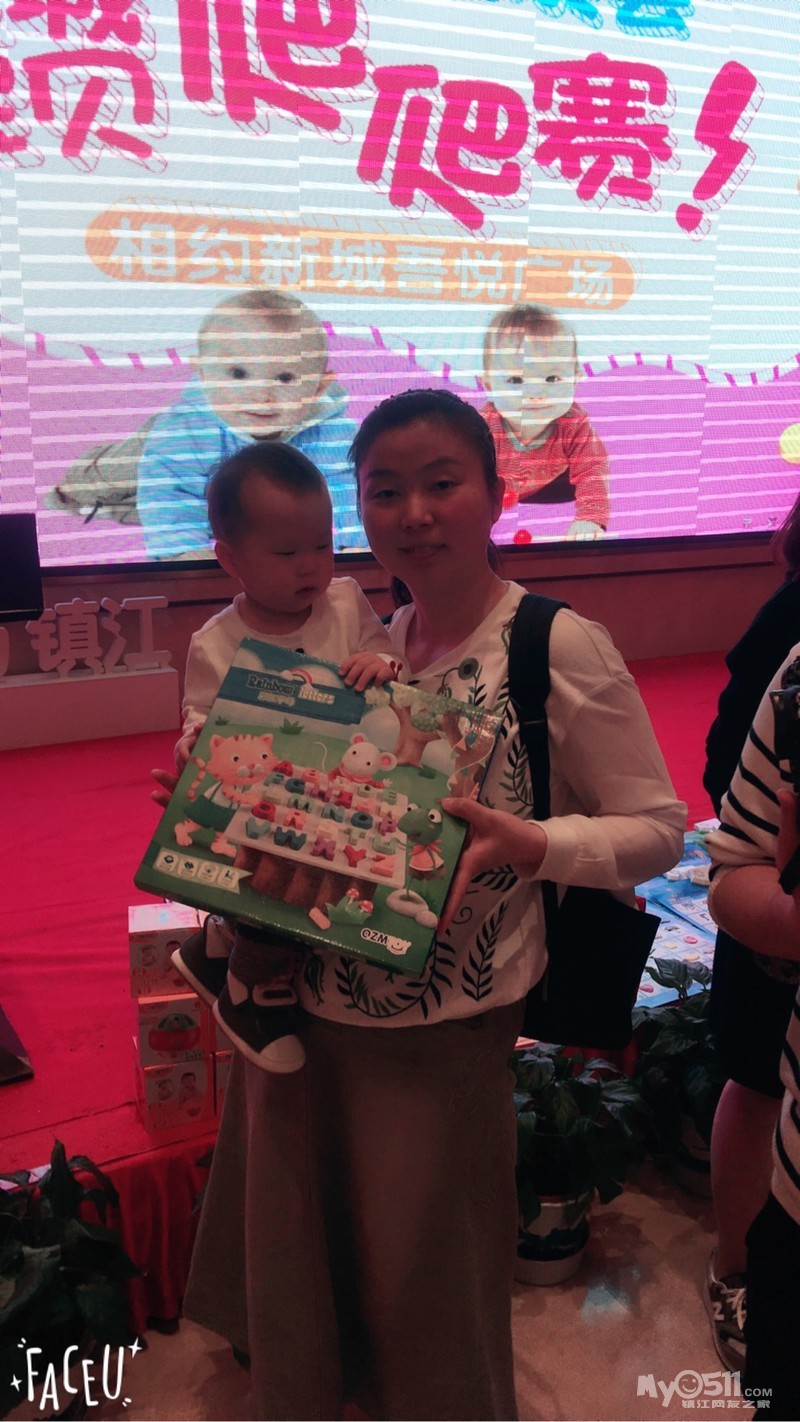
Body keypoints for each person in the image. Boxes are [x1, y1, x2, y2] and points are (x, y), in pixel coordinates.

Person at [181, 388, 685, 1420]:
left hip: (440, 1029)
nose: (413, 513)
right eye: (385, 491)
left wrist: (534, 843)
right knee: (312, 1279)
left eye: (441, 483)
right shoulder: (367, 642)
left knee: (431, 1306)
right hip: (299, 1020)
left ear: (495, 494)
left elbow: (657, 829)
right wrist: (211, 818)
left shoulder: (552, 644)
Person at [169, 441, 400, 1073]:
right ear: (230, 558)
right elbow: (199, 719)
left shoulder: (345, 603)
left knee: (331, 869)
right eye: (286, 553)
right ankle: (250, 990)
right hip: (264, 790)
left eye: (322, 546)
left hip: (339, 782)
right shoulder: (216, 642)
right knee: (271, 876)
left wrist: (381, 663)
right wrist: (194, 742)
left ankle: (214, 947)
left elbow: (391, 660)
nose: (311, 567)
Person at [701, 493, 800, 1371]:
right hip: (776, 928)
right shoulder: (792, 633)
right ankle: (735, 1269)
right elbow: (729, 786)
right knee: (756, 1077)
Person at [136, 289, 363, 559]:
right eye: (238, 373)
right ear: (203, 373)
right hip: (171, 453)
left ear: (319, 387)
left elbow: (351, 491)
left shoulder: (333, 434)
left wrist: (357, 545)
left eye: (285, 378)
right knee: (118, 477)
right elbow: (169, 496)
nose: (261, 396)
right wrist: (188, 552)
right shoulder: (183, 430)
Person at [480, 303, 610, 540]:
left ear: (575, 380)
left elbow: (592, 470)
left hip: (555, 487)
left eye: (552, 378)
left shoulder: (574, 424)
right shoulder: (483, 427)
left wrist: (590, 519)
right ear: (488, 386)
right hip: (502, 491)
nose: (535, 393)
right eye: (516, 380)